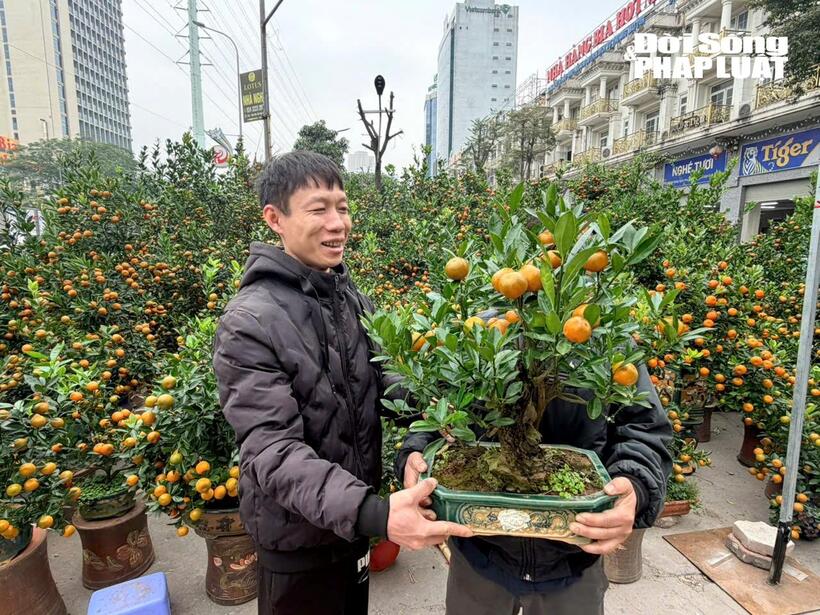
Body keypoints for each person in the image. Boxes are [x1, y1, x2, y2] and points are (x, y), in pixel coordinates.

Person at [213, 151, 472, 615]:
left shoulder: (349, 296)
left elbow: (394, 383)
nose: (337, 223)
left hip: (354, 525)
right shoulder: (249, 321)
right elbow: (271, 450)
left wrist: (420, 438)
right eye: (318, 209)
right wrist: (374, 513)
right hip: (299, 542)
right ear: (275, 218)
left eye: (343, 207)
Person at [398, 362, 672, 615]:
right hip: (477, 556)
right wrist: (416, 454)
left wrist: (635, 486)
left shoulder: (604, 337)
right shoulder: (473, 325)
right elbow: (436, 407)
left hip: (575, 559)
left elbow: (643, 427)